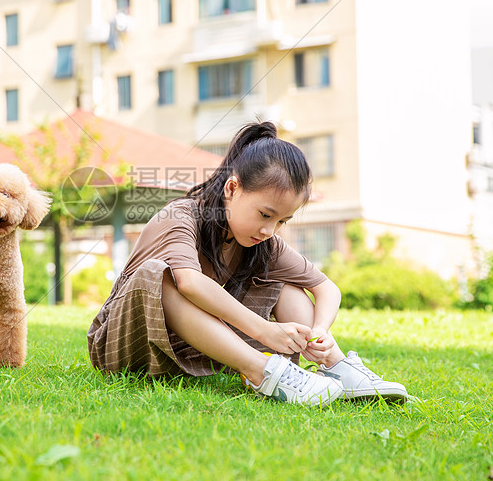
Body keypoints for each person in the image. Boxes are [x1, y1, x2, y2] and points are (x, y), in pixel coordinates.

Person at [87, 121, 408, 405]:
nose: (270, 229)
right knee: (159, 275)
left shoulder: (262, 242)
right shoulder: (181, 216)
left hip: (190, 351)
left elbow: (326, 288)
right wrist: (266, 331)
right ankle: (262, 371)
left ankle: (336, 369)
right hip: (125, 346)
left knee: (283, 280)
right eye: (265, 215)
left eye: (282, 221)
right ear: (232, 188)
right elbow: (189, 282)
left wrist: (319, 332)